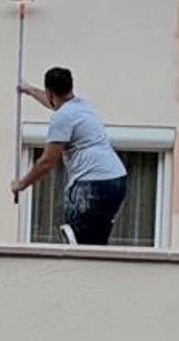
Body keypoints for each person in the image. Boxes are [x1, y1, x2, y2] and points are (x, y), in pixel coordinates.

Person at [13, 66, 129, 245]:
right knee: (96, 241)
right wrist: (29, 90)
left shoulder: (62, 117)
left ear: (50, 92)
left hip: (92, 184)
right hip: (116, 180)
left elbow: (46, 162)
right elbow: (53, 103)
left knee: (78, 241)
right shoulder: (81, 106)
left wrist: (21, 184)